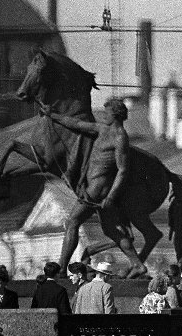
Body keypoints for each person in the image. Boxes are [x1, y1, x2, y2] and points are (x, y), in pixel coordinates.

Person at [41, 99, 145, 277]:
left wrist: (111, 197)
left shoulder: (120, 137)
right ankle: (137, 264)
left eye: (107, 112)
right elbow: (77, 124)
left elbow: (123, 170)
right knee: (111, 230)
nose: (104, 115)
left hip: (98, 189)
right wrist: (52, 114)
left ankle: (61, 268)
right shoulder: (103, 129)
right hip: (95, 187)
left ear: (116, 114)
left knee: (72, 221)